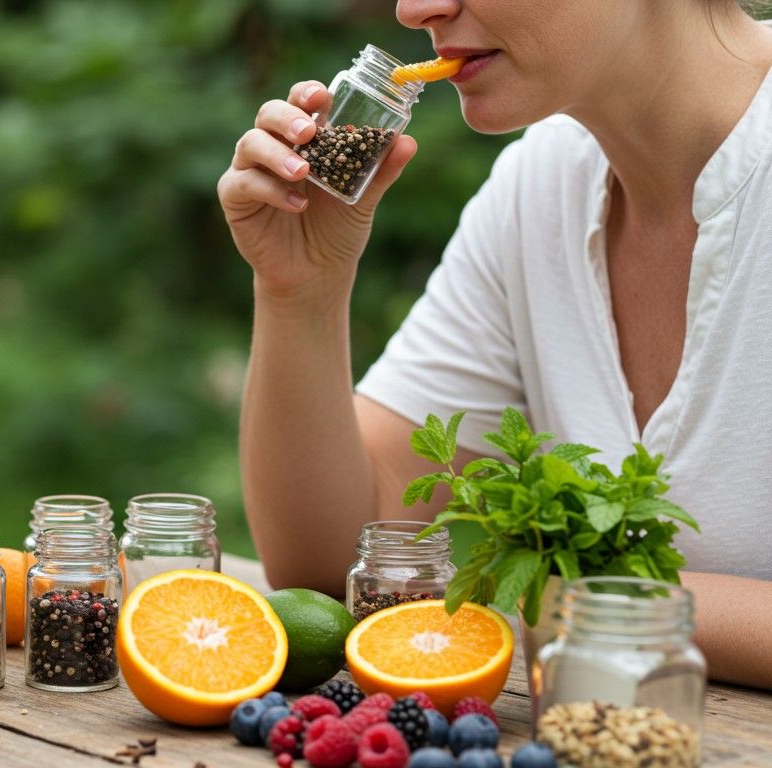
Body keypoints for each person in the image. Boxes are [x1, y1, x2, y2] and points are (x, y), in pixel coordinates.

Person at [218, 0, 772, 688]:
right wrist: (301, 293)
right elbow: (336, 563)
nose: (416, 8)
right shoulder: (541, 186)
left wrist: (574, 598)